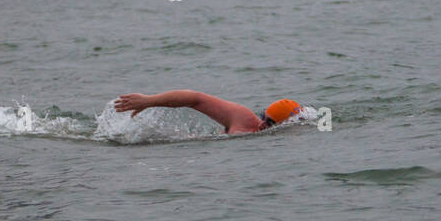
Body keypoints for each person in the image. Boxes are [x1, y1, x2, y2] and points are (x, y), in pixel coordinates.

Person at [113, 90, 302, 135]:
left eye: (269, 123)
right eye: (263, 117)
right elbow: (196, 99)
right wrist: (149, 101)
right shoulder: (243, 119)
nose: (262, 124)